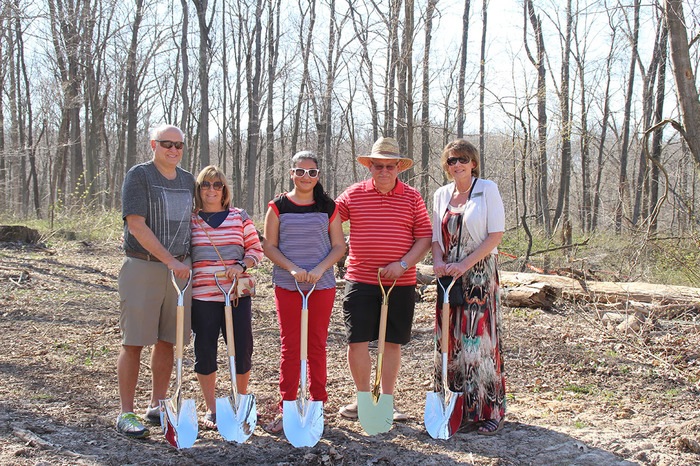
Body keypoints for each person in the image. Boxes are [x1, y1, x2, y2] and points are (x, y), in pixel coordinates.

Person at [335, 137, 432, 422]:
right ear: (370, 167)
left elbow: (424, 238)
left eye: (390, 166)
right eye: (378, 166)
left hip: (399, 283)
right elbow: (327, 220)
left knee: (391, 343)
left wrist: (402, 265)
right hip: (360, 280)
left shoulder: (412, 197)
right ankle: (364, 400)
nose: (384, 171)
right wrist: (340, 248)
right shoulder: (354, 194)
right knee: (357, 342)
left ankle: (386, 401)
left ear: (399, 168)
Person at [116, 124, 195, 438]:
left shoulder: (189, 181)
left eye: (178, 145)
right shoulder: (139, 176)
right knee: (134, 341)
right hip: (143, 266)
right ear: (153, 144)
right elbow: (136, 225)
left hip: (180, 272)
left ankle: (157, 404)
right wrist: (170, 260)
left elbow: (201, 221)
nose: (173, 150)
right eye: (166, 144)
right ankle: (126, 413)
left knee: (168, 340)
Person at [262, 151, 346, 433]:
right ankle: (288, 402)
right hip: (288, 284)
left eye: (311, 172)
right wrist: (293, 269)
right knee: (290, 344)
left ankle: (317, 401)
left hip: (321, 286)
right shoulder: (277, 207)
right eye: (300, 172)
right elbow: (269, 246)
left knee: (316, 344)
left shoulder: (327, 206)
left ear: (318, 176)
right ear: (291, 174)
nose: (305, 177)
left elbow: (339, 246)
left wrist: (321, 269)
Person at [431, 138, 506, 435]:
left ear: (473, 162)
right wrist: (439, 262)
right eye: (451, 160)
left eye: (462, 159)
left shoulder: (487, 190)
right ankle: (455, 408)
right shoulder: (440, 194)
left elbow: (495, 235)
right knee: (449, 341)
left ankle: (488, 410)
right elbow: (435, 237)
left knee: (478, 341)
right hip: (448, 275)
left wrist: (465, 264)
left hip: (478, 274)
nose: (457, 165)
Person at [189, 165, 264, 429]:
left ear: (224, 189)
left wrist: (241, 265)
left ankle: (240, 401)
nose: (211, 190)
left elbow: (256, 249)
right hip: (202, 296)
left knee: (242, 348)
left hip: (235, 295)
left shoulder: (239, 216)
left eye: (217, 185)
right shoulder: (191, 219)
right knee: (205, 350)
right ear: (199, 189)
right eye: (206, 185)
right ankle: (212, 409)